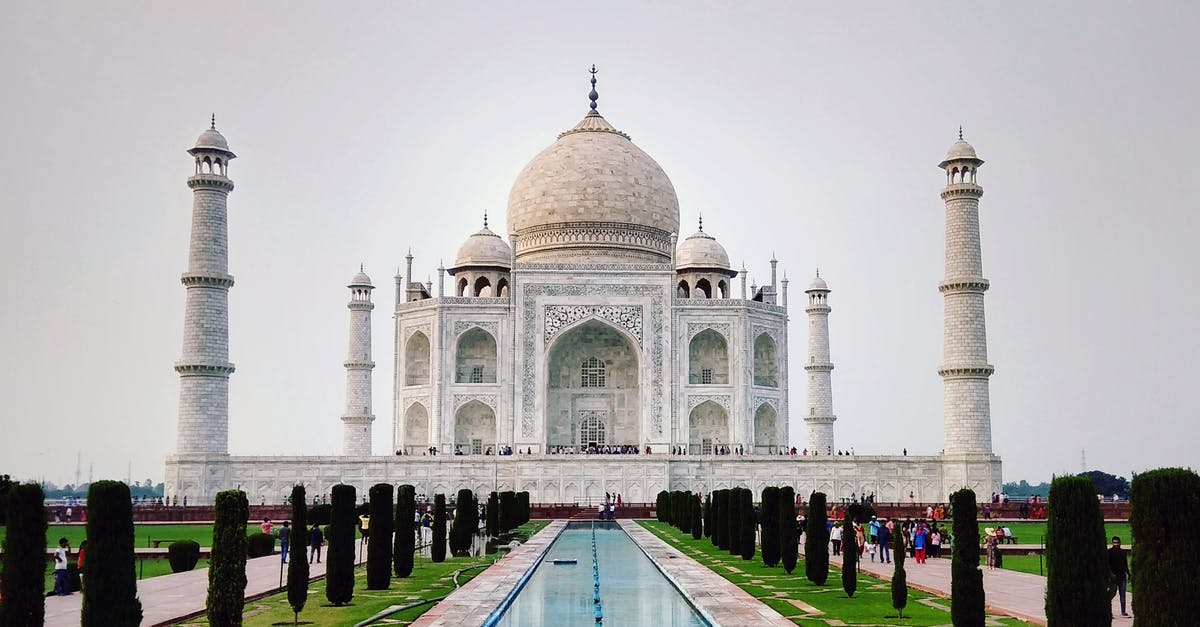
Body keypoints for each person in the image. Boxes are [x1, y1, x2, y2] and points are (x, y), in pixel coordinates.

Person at [1108, 536, 1129, 617]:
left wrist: (1128, 573)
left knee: (1123, 595)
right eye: (1114, 542)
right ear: (1112, 543)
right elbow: (1107, 565)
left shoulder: (1123, 552)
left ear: (1120, 543)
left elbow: (1125, 564)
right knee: (1112, 594)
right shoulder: (1109, 552)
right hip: (1113, 577)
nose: (1116, 544)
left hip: (1122, 576)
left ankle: (1123, 611)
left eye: (1117, 542)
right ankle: (1109, 611)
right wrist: (1111, 574)